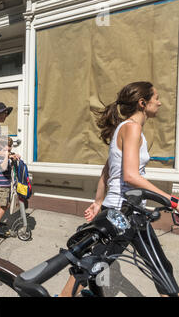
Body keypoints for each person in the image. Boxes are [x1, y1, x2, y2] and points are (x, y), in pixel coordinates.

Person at [60, 81, 179, 297]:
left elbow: (107, 171)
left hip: (127, 211)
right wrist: (170, 199)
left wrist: (97, 202)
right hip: (124, 213)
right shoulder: (132, 128)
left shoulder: (124, 129)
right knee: (91, 267)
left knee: (159, 267)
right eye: (156, 98)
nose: (160, 103)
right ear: (142, 103)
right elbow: (130, 176)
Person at [0, 136, 14, 234]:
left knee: (5, 204)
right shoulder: (0, 156)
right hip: (2, 184)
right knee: (3, 205)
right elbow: (4, 167)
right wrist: (6, 156)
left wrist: (13, 157)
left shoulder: (5, 156)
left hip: (6, 184)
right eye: (5, 146)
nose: (8, 148)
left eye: (10, 146)